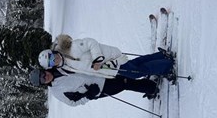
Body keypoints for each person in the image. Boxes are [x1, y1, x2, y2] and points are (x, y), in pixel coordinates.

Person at [40, 34, 174, 80]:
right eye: (51, 62)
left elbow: (91, 42)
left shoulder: (71, 48)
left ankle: (166, 65)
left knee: (136, 72)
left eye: (52, 57)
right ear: (51, 66)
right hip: (108, 68)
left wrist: (97, 60)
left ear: (53, 52)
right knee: (136, 65)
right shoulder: (65, 65)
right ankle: (161, 56)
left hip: (109, 60)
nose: (54, 60)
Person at [29, 68, 158, 107]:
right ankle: (152, 87)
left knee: (125, 75)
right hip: (98, 88)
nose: (45, 76)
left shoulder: (59, 68)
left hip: (99, 73)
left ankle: (147, 84)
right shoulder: (57, 92)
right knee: (124, 83)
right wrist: (89, 95)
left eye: (43, 74)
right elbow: (73, 102)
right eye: (42, 79)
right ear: (43, 84)